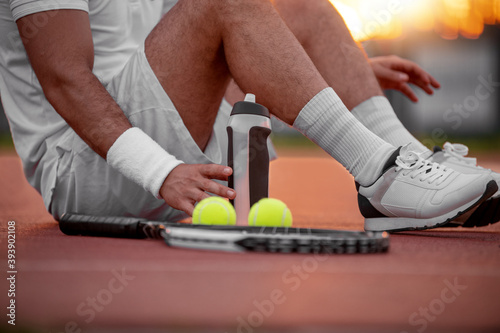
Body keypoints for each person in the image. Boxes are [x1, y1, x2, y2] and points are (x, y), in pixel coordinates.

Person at [0, 0, 497, 232]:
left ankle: (404, 162)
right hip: (89, 169)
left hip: (163, 131)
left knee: (304, 7)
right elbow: (64, 76)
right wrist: (159, 170)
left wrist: (339, 72)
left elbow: (194, 56)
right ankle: (380, 176)